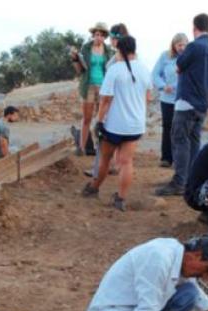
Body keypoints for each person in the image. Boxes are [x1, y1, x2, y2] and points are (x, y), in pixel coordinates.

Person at [81, 36, 151, 211]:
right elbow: (147, 97)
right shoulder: (144, 69)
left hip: (115, 125)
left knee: (105, 159)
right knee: (126, 162)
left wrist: (99, 121)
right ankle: (120, 199)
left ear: (119, 50)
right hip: (135, 125)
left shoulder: (115, 70)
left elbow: (105, 100)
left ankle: (94, 188)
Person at [156, 13, 208, 196]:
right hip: (202, 103)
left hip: (187, 101)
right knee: (193, 141)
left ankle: (179, 182)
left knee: (179, 139)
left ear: (194, 28)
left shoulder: (194, 46)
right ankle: (191, 179)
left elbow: (178, 66)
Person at [86, 23, 130, 178]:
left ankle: (100, 168)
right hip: (120, 102)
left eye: (111, 38)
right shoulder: (124, 56)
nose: (110, 41)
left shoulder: (119, 58)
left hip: (112, 101)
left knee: (99, 131)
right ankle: (112, 165)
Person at [70, 22, 114, 156]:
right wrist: (75, 60)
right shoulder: (86, 48)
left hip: (103, 87)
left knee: (102, 118)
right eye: (96, 34)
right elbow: (79, 70)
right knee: (87, 117)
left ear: (105, 37)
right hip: (89, 85)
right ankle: (81, 147)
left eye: (101, 35)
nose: (98, 37)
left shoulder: (108, 51)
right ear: (93, 35)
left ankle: (100, 148)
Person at [152, 33, 189, 168]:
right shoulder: (165, 57)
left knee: (180, 129)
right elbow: (155, 74)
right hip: (167, 99)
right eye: (179, 45)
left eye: (184, 45)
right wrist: (162, 86)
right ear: (174, 45)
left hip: (183, 99)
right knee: (168, 127)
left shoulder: (189, 57)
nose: (182, 48)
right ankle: (166, 158)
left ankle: (180, 159)